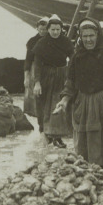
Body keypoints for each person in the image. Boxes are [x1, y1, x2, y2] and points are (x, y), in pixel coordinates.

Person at [52, 18, 103, 171]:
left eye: (91, 35)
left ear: (98, 35)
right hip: (84, 106)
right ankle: (91, 177)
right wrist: (64, 101)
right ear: (80, 37)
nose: (88, 39)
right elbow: (70, 84)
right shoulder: (76, 58)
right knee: (85, 149)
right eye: (85, 36)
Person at [32, 14, 74, 147]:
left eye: (58, 29)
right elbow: (37, 64)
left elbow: (72, 58)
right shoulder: (41, 43)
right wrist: (37, 82)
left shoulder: (66, 41)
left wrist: (70, 74)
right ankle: (45, 133)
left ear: (61, 29)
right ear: (48, 29)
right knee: (44, 104)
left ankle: (57, 136)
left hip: (61, 75)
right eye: (52, 29)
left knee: (58, 103)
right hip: (46, 76)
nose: (55, 32)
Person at [24, 17, 49, 122]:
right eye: (41, 29)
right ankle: (38, 118)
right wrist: (26, 76)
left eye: (45, 29)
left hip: (48, 67)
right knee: (35, 94)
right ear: (37, 29)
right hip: (35, 68)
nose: (43, 31)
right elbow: (28, 59)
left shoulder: (51, 39)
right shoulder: (32, 41)